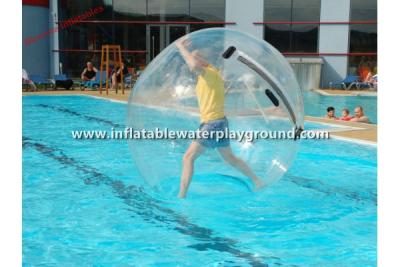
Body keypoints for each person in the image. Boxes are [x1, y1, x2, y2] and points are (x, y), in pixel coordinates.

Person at [175, 38, 264, 198]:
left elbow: (193, 65)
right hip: (220, 123)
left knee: (188, 158)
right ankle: (257, 181)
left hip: (212, 125)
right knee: (230, 158)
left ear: (202, 61)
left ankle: (181, 196)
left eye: (196, 57)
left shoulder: (207, 72)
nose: (192, 61)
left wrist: (181, 47)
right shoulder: (211, 75)